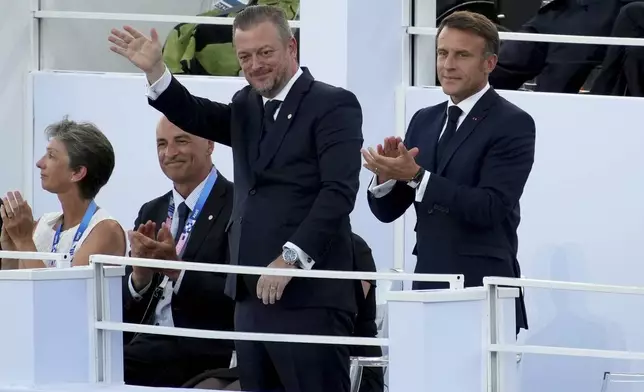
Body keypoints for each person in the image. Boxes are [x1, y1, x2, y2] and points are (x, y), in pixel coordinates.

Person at [108, 4, 363, 392]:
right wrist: (157, 73)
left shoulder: (332, 104)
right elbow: (195, 114)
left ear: (291, 47)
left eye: (265, 53)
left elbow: (338, 193)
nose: (255, 64)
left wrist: (290, 258)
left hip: (310, 299)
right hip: (248, 298)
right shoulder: (246, 105)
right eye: (245, 56)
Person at [363, 11, 535, 334]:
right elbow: (389, 211)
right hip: (427, 288)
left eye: (462, 55)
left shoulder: (513, 124)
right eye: (443, 53)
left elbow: (491, 207)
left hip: (483, 291)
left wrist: (416, 176)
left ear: (490, 63)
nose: (448, 64)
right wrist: (386, 177)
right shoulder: (423, 120)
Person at [179, 233, 384, 392]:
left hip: (342, 360)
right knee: (207, 386)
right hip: (270, 352)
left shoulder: (353, 246)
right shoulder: (273, 254)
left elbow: (349, 310)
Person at [122, 117, 235, 387]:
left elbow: (238, 294)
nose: (169, 153)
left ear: (210, 144)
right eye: (162, 144)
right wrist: (140, 276)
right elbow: (125, 307)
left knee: (99, 367)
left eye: (181, 141)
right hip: (146, 340)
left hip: (201, 345)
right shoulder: (152, 210)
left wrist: (177, 271)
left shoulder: (238, 206)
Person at [0, 118, 125, 270]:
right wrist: (11, 249)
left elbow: (63, 293)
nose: (39, 163)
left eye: (51, 156)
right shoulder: (44, 224)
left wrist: (24, 240)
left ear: (77, 172)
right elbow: (14, 288)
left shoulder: (105, 230)